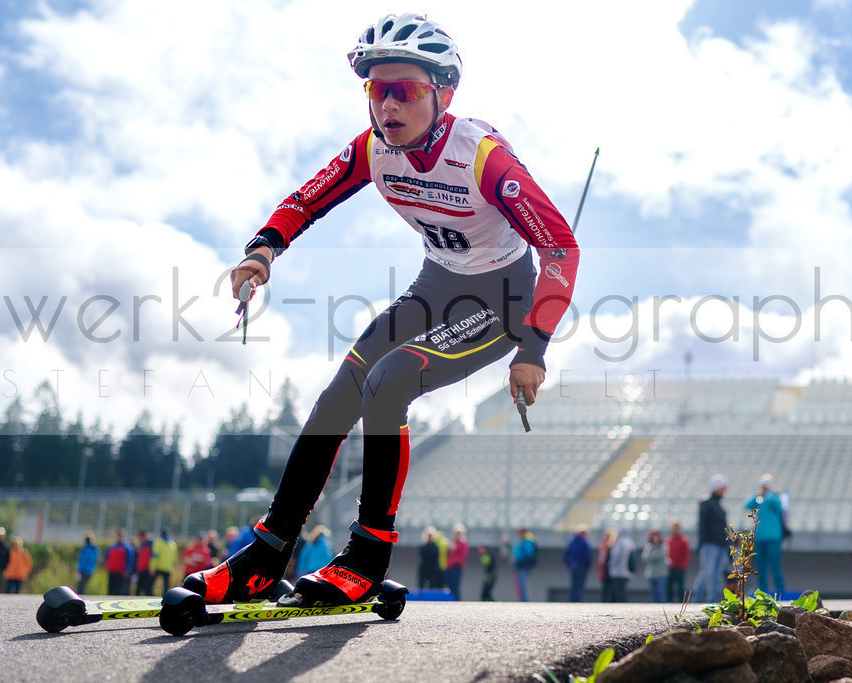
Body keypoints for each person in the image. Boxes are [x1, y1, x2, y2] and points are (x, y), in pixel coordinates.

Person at [183, 12, 579, 608]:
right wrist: (263, 250)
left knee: (389, 382)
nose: (388, 106)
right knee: (341, 391)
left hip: (503, 302)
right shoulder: (375, 149)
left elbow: (559, 246)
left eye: (406, 90)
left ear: (442, 94)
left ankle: (365, 558)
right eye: (376, 90)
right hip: (435, 286)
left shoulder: (482, 157)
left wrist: (534, 349)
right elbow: (308, 196)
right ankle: (265, 555)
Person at [745, 474, 786, 597]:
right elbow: (747, 505)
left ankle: (781, 593)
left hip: (773, 538)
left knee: (775, 567)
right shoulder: (759, 500)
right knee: (760, 568)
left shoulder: (774, 498)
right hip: (760, 538)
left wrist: (770, 492)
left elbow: (779, 507)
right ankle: (763, 593)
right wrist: (758, 494)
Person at [692, 474, 732, 603]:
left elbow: (724, 527)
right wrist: (702, 542)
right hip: (710, 544)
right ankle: (696, 598)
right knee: (707, 572)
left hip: (720, 545)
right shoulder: (707, 503)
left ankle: (712, 599)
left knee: (716, 575)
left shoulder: (720, 505)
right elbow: (702, 524)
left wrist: (728, 544)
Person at [562, 525, 592, 602]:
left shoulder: (572, 542)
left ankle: (572, 601)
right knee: (580, 586)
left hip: (573, 567)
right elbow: (587, 556)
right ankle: (577, 601)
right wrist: (587, 566)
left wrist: (569, 564)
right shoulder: (584, 543)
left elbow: (565, 554)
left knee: (573, 585)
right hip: (582, 567)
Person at [665, 519, 691, 603]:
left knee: (680, 586)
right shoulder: (668, 540)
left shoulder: (683, 540)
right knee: (669, 586)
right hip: (670, 567)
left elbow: (686, 555)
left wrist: (682, 566)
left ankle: (681, 601)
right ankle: (669, 601)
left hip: (679, 567)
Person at [606, 528, 636, 603]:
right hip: (627, 571)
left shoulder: (620, 543)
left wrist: (609, 565)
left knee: (618, 591)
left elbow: (615, 557)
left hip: (618, 571)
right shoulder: (630, 542)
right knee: (622, 590)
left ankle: (621, 606)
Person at [103, 528, 135, 596]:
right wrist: (107, 566)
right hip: (112, 571)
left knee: (121, 590)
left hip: (121, 572)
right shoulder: (112, 546)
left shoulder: (127, 547)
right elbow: (107, 557)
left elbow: (130, 559)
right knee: (111, 589)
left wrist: (127, 570)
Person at [511, 529, 538, 602]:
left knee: (523, 584)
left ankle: (524, 601)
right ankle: (522, 600)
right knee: (520, 584)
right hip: (520, 565)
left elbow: (528, 554)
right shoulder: (522, 541)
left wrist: (518, 559)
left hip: (523, 565)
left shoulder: (527, 541)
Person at [444, 524, 469, 601]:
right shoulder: (452, 542)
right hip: (449, 566)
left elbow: (463, 556)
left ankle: (457, 601)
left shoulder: (463, 543)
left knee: (455, 586)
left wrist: (454, 562)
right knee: (449, 586)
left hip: (456, 567)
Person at [641, 529, 667, 603]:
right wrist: (653, 557)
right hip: (651, 573)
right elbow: (645, 557)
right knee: (653, 593)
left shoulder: (663, 546)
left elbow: (660, 556)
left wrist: (652, 556)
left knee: (660, 591)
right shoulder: (648, 547)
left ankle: (662, 606)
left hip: (661, 573)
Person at [150, 529, 178, 594]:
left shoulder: (158, 542)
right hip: (168, 568)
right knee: (166, 586)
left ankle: (149, 596)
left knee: (150, 584)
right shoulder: (173, 544)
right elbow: (174, 558)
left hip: (158, 567)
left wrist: (152, 567)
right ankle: (165, 599)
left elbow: (155, 556)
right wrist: (173, 569)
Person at [597, 528, 617, 602]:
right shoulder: (607, 545)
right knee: (608, 588)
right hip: (607, 568)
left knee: (606, 588)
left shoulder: (603, 544)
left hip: (604, 568)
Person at [133, 530, 155, 596]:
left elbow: (153, 557)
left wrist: (152, 568)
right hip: (141, 569)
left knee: (147, 588)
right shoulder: (141, 545)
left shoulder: (151, 544)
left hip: (147, 569)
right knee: (139, 588)